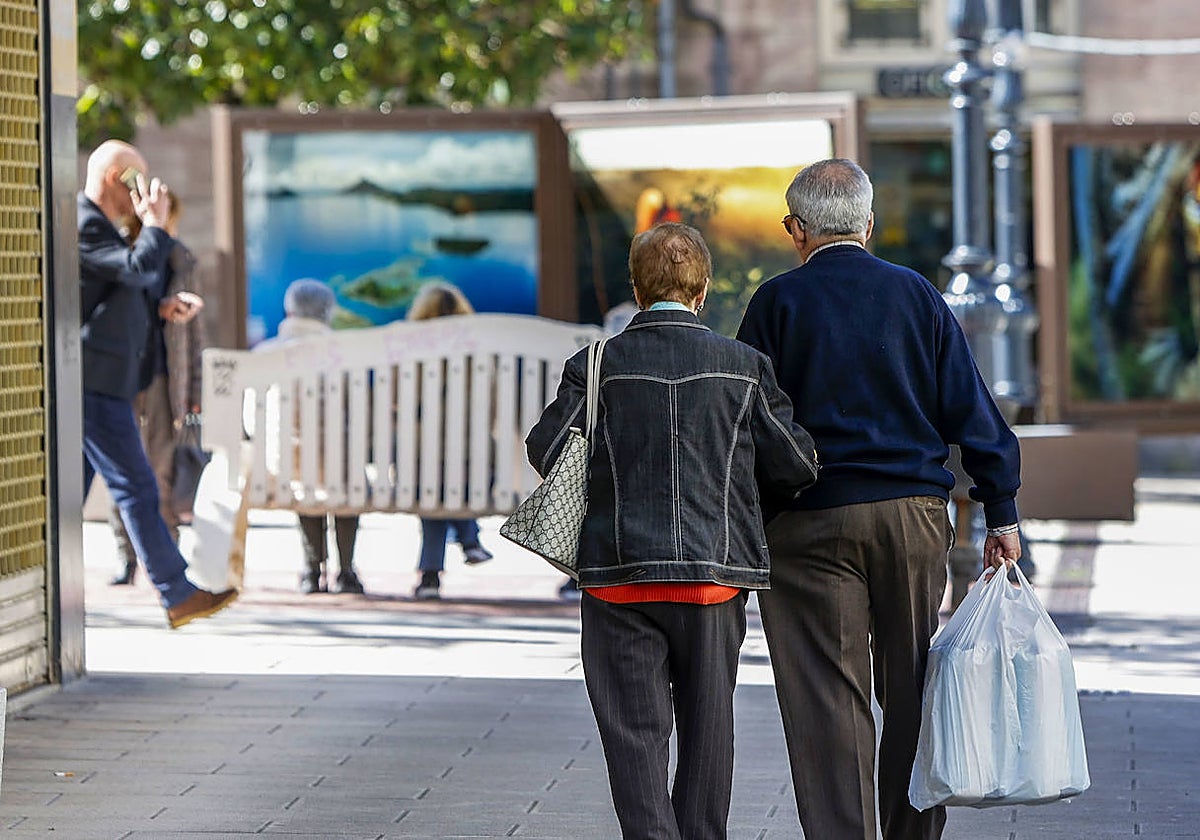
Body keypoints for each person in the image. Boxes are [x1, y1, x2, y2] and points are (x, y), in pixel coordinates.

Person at [735, 158, 1023, 840]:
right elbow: (971, 410)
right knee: (914, 685)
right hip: (912, 519)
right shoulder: (917, 296)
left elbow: (744, 421)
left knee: (826, 700)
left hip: (808, 521)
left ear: (793, 229)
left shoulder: (776, 303)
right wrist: (1001, 508)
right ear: (869, 225)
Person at [526, 222, 818, 840]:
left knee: (634, 735)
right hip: (713, 580)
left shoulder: (596, 365)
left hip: (617, 578)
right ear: (703, 290)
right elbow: (796, 463)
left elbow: (547, 449)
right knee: (709, 731)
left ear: (636, 288)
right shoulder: (744, 366)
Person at [79, 139, 238, 629]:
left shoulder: (103, 228)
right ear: (114, 179)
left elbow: (118, 294)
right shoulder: (85, 223)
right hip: (94, 383)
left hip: (105, 381)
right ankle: (175, 591)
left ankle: (173, 592)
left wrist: (163, 309)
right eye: (136, 182)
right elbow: (135, 269)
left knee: (66, 497)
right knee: (138, 485)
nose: (143, 194)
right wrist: (154, 226)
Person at [108, 194, 206, 586]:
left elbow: (195, 333)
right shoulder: (119, 251)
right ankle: (127, 556)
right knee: (122, 470)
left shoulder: (181, 258)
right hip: (123, 378)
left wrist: (196, 389)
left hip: (168, 380)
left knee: (162, 469)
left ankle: (166, 555)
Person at [254, 279, 365, 594]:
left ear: (290, 310)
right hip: (342, 470)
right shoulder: (347, 355)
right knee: (344, 472)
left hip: (285, 469)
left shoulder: (266, 353)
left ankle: (311, 569)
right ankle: (345, 571)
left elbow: (252, 418)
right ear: (326, 312)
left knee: (304, 472)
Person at [405, 282, 494, 601]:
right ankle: (469, 537)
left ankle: (429, 576)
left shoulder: (409, 353)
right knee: (454, 476)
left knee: (433, 488)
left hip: (420, 462)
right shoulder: (479, 354)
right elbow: (494, 407)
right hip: (474, 462)